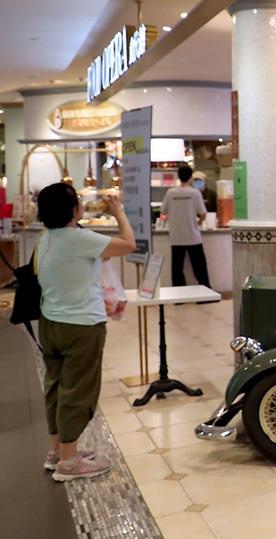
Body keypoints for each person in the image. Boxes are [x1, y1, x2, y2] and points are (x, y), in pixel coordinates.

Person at [36, 183, 135, 481]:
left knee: (55, 387)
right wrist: (119, 212)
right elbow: (128, 244)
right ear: (72, 210)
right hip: (81, 326)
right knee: (78, 390)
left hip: (50, 322)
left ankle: (58, 451)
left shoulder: (45, 238)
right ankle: (69, 462)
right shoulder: (80, 239)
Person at [161, 165, 210, 288]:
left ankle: (178, 293)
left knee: (177, 269)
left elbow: (163, 211)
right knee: (199, 267)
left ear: (178, 176)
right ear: (190, 177)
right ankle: (205, 291)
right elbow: (203, 214)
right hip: (193, 236)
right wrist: (199, 222)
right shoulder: (195, 193)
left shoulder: (171, 193)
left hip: (176, 237)